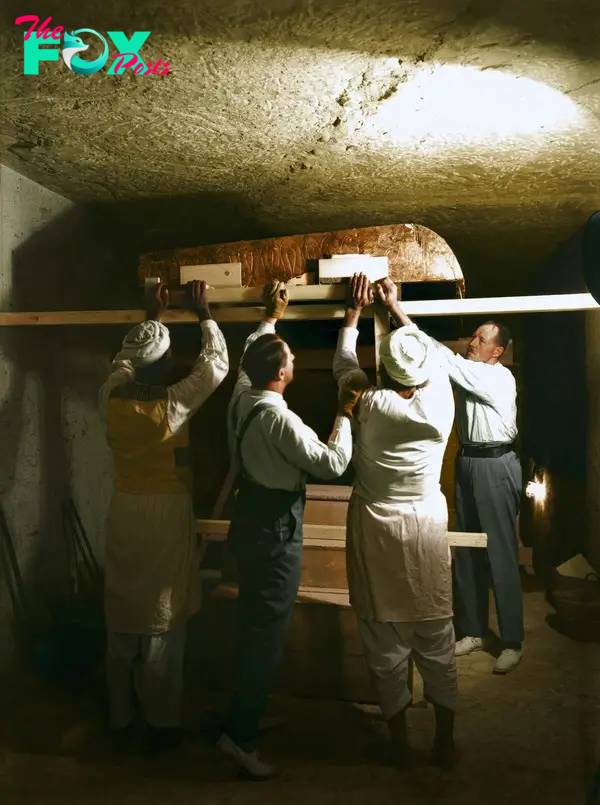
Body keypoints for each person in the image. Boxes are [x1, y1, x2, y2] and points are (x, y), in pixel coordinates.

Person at [218, 280, 356, 780]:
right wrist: (345, 412)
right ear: (280, 373)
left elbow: (242, 367)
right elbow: (334, 463)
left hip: (249, 515)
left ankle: (240, 716)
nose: (295, 362)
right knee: (266, 634)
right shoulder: (283, 422)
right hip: (276, 527)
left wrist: (271, 319)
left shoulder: (242, 398)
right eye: (291, 358)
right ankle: (241, 738)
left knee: (253, 623)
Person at [99, 280, 229, 754]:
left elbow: (123, 362)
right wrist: (204, 313)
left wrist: (151, 318)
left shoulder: (109, 396)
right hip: (163, 514)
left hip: (124, 510)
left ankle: (119, 719)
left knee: (122, 614)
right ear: (162, 365)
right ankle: (159, 723)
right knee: (161, 619)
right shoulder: (170, 407)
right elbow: (215, 366)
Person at [333, 274, 458, 768]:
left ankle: (401, 744)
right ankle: (445, 742)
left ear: (384, 368)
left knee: (384, 643)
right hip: (425, 524)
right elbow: (429, 356)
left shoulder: (370, 403)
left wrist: (354, 314)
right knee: (437, 642)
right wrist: (398, 309)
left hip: (377, 530)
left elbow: (345, 366)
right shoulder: (440, 403)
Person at [384, 287, 523, 674]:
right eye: (472, 336)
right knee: (465, 548)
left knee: (501, 553)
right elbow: (437, 363)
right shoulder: (471, 373)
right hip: (468, 462)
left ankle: (512, 640)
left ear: (496, 351)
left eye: (480, 339)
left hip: (495, 465)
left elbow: (440, 356)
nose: (471, 342)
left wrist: (397, 308)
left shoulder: (496, 378)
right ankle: (475, 630)